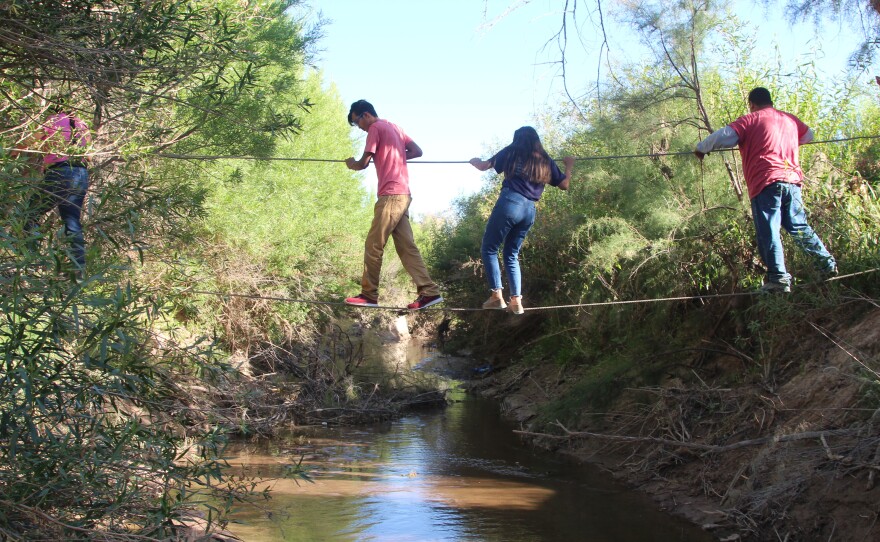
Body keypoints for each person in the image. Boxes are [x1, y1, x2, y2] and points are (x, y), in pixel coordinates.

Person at [694, 87, 836, 293]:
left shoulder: (750, 120)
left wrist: (701, 148)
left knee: (769, 228)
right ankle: (826, 264)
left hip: (766, 182)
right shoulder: (789, 119)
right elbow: (809, 136)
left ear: (752, 104)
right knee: (797, 225)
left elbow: (724, 136)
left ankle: (778, 279)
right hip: (792, 181)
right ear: (770, 101)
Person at [343, 100, 443, 310]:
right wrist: (394, 158)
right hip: (403, 195)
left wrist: (352, 164)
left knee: (373, 244)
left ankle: (369, 295)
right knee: (407, 248)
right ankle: (430, 292)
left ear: (366, 115)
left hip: (390, 196)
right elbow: (417, 151)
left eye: (357, 121)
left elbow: (363, 163)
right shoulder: (395, 127)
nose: (360, 127)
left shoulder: (375, 128)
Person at [469, 127, 573, 314]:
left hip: (510, 202)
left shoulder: (511, 151)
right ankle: (516, 301)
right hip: (529, 210)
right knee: (511, 253)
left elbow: (484, 166)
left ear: (517, 139)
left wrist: (475, 161)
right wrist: (569, 166)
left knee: (489, 248)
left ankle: (496, 296)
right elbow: (564, 185)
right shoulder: (544, 160)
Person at [21, 104, 92, 279]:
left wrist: (12, 155)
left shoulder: (52, 121)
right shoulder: (83, 125)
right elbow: (89, 156)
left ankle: (30, 262)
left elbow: (29, 142)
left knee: (30, 214)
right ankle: (77, 268)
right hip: (81, 173)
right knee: (72, 220)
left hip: (59, 172)